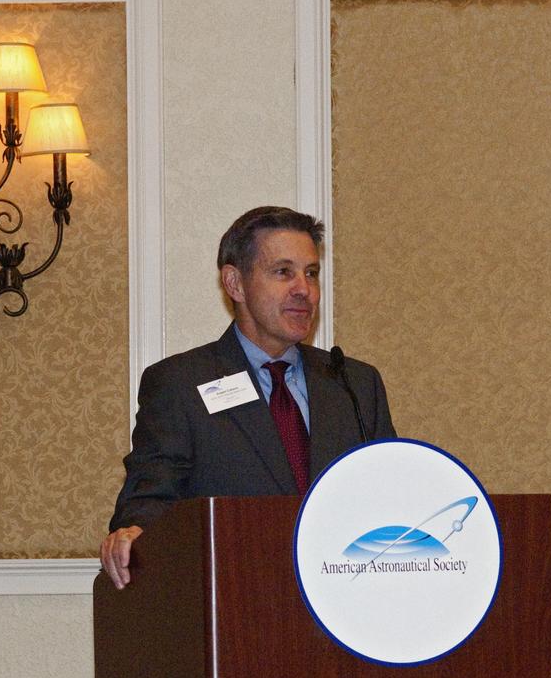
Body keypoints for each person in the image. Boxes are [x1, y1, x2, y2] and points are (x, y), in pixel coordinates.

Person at [100, 206, 396, 587]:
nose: (303, 290)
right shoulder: (180, 384)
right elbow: (148, 500)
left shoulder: (354, 383)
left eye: (311, 273)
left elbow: (391, 492)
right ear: (235, 283)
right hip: (238, 600)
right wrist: (134, 531)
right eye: (283, 272)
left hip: (348, 599)